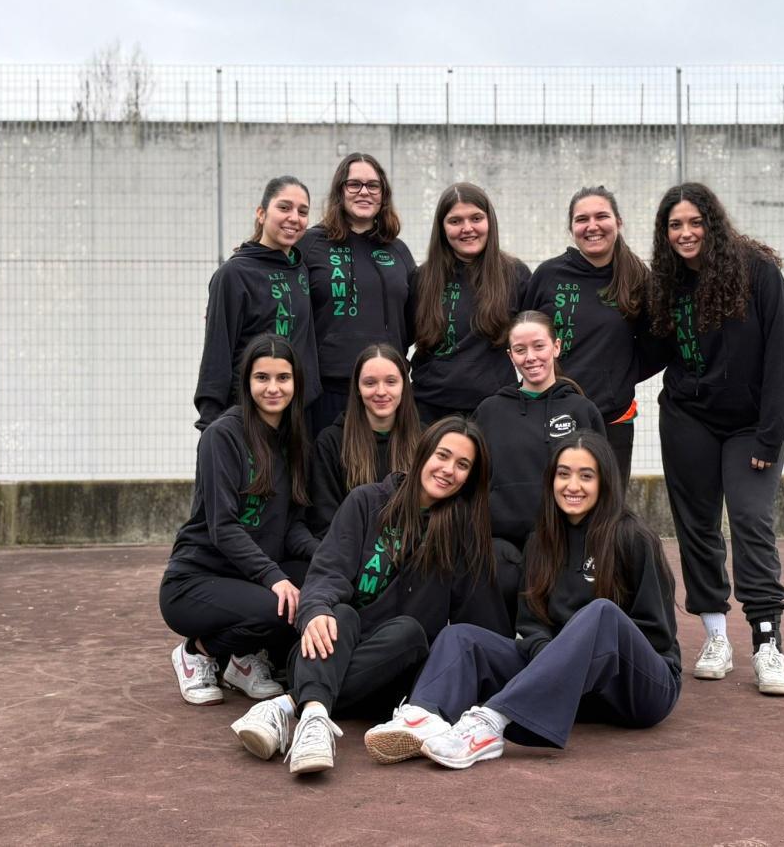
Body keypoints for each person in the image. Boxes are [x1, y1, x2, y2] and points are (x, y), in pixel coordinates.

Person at [363, 432, 680, 769]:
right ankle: (422, 716)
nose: (573, 485)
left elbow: (655, 635)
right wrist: (555, 661)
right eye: (563, 474)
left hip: (638, 689)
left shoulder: (632, 537)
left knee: (601, 614)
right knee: (461, 637)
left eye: (586, 476)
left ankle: (490, 724)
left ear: (605, 481)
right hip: (568, 689)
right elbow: (531, 625)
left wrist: (575, 657)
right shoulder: (541, 541)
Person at [227, 417, 509, 775]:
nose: (449, 470)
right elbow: (328, 573)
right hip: (329, 649)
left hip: (391, 671)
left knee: (409, 631)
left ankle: (287, 707)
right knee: (339, 614)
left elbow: (480, 627)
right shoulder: (367, 502)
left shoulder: (463, 535)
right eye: (443, 455)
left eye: (463, 465)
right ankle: (313, 719)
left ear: (470, 477)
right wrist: (314, 610)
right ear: (423, 453)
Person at [646, 182, 784, 696]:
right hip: (688, 418)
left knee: (750, 519)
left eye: (694, 222)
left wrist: (771, 436)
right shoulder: (668, 283)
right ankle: (716, 636)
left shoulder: (757, 272)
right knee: (695, 526)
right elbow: (649, 351)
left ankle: (767, 643)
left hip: (749, 426)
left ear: (712, 224)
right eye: (675, 225)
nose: (685, 233)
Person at [160, 334, 318, 706]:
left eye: (283, 378)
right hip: (195, 581)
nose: (273, 388)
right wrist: (274, 577)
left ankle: (242, 662)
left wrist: (326, 557)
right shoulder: (222, 436)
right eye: (262, 378)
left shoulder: (294, 441)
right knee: (279, 610)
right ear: (247, 382)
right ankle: (197, 652)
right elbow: (223, 527)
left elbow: (291, 525)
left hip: (245, 578)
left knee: (316, 588)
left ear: (296, 383)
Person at [472, 311, 606, 621]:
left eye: (539, 346)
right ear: (510, 356)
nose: (530, 357)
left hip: (564, 542)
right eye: (520, 350)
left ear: (556, 347)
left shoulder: (581, 410)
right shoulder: (490, 411)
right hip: (504, 545)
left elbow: (602, 482)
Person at [524, 186, 651, 482]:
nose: (592, 226)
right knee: (551, 503)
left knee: (609, 511)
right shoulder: (549, 275)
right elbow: (523, 336)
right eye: (582, 219)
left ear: (618, 223)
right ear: (571, 228)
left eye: (601, 216)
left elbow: (657, 345)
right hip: (550, 411)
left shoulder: (637, 279)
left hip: (613, 417)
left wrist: (619, 376)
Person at [300, 153, 416, 434]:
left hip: (384, 393)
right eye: (354, 184)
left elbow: (413, 318)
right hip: (327, 391)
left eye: (373, 186)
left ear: (383, 195)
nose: (364, 192)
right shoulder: (310, 244)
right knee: (328, 474)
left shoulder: (397, 250)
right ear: (340, 191)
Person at [194, 176, 320, 431]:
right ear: (261, 214)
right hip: (248, 416)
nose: (294, 217)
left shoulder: (301, 270)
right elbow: (217, 351)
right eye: (284, 207)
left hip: (296, 419)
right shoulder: (233, 274)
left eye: (302, 211)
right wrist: (210, 424)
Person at [410, 183, 530, 424]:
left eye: (476, 218)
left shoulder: (515, 275)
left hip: (496, 410)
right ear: (442, 228)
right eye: (455, 221)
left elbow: (533, 344)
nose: (467, 229)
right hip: (429, 411)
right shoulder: (421, 278)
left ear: (490, 222)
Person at [308, 343, 421, 538]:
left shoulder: (425, 440)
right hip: (350, 554)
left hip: (410, 553)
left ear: (404, 385)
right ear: (358, 388)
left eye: (391, 382)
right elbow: (324, 521)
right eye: (370, 383)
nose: (381, 391)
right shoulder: (331, 442)